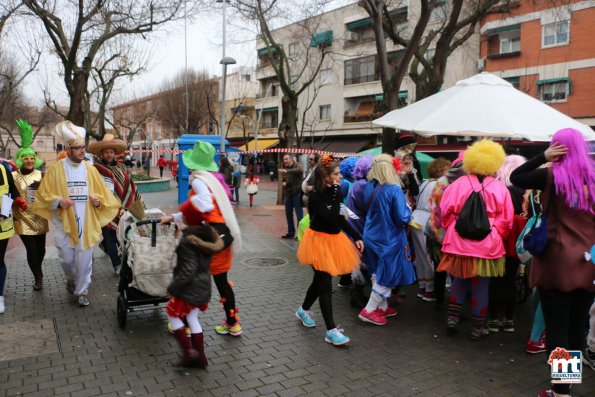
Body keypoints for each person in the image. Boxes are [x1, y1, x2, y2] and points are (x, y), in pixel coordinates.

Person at [510, 128, 595, 397]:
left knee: (557, 327)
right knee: (577, 326)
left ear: (558, 148)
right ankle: (565, 387)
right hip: (588, 262)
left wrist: (541, 156)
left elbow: (516, 177)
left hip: (556, 262)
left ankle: (560, 391)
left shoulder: (551, 176)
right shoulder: (593, 178)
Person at [32, 121, 120, 307]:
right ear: (68, 150)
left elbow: (103, 194)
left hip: (85, 221)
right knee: (66, 258)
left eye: (82, 148)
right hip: (63, 221)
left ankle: (82, 291)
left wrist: (98, 202)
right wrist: (58, 201)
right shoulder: (56, 169)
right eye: (77, 148)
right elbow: (43, 194)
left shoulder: (90, 169)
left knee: (84, 257)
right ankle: (70, 278)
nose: (82, 151)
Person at [162, 141, 243, 336]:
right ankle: (232, 323)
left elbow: (204, 207)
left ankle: (184, 323)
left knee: (191, 280)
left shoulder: (198, 180)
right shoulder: (215, 181)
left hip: (206, 240)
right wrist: (174, 217)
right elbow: (210, 210)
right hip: (221, 239)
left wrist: (186, 208)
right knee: (222, 283)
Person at [437, 140, 513, 340]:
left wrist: (452, 227)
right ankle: (478, 328)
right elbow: (507, 219)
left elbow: (444, 212)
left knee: (459, 280)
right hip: (488, 244)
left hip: (458, 242)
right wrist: (495, 232)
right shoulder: (499, 188)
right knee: (481, 285)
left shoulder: (456, 185)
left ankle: (452, 319)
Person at [295, 155, 364, 346]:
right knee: (325, 285)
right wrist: (335, 194)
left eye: (340, 173)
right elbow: (329, 217)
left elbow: (340, 220)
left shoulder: (336, 192)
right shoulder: (315, 196)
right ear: (325, 176)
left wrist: (356, 236)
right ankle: (331, 331)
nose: (340, 176)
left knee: (319, 282)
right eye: (336, 174)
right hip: (317, 243)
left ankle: (303, 310)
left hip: (334, 241)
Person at [358, 154, 416, 326]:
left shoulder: (369, 186)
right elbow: (402, 217)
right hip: (389, 237)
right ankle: (368, 310)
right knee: (389, 273)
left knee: (376, 270)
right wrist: (408, 209)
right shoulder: (394, 189)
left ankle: (382, 306)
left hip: (371, 234)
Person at [167, 223, 223, 368]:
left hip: (188, 288)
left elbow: (188, 270)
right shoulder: (207, 234)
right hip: (202, 286)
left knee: (172, 314)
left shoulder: (188, 240)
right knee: (192, 317)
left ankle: (189, 353)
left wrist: (173, 288)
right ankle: (201, 358)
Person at [88, 134, 145, 275]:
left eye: (111, 152)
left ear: (115, 153)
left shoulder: (122, 168)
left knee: (123, 238)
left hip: (121, 210)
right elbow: (92, 187)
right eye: (106, 152)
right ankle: (117, 265)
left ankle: (125, 261)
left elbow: (129, 188)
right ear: (101, 153)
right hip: (104, 209)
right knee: (110, 239)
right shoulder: (95, 169)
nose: (109, 154)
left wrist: (124, 208)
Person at [487, 155, 527, 333]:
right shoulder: (524, 190)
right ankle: (509, 318)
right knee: (511, 278)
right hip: (516, 237)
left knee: (494, 278)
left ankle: (493, 317)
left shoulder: (497, 189)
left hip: (497, 234)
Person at [426, 151, 466, 309]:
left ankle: (439, 300)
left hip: (438, 230)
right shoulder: (465, 183)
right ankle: (456, 306)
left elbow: (433, 205)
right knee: (456, 272)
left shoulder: (442, 181)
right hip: (456, 233)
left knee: (439, 268)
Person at [12, 119, 49, 291]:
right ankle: (38, 277)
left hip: (40, 216)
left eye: (31, 158)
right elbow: (7, 194)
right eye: (25, 158)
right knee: (31, 250)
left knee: (41, 250)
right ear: (20, 160)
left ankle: (38, 270)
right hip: (22, 217)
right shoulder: (13, 176)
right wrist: (15, 200)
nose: (29, 161)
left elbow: (49, 193)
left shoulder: (41, 175)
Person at [410, 158, 451, 302]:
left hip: (416, 219)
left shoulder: (424, 182)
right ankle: (430, 289)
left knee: (421, 257)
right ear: (441, 170)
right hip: (427, 220)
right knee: (429, 256)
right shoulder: (437, 184)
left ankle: (423, 286)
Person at [346, 156, 374, 308]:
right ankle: (356, 295)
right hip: (361, 226)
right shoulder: (363, 186)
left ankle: (357, 293)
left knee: (359, 261)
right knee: (361, 261)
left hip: (356, 224)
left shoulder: (358, 184)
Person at [0, 155, 25, 314]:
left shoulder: (3, 168)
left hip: (2, 223)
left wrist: (17, 199)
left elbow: (11, 190)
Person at [279, 154, 304, 239]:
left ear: (291, 159)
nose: (285, 161)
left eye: (286, 159)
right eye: (284, 159)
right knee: (288, 214)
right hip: (288, 193)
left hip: (297, 192)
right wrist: (284, 182)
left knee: (299, 214)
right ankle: (291, 232)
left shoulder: (297, 164)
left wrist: (287, 171)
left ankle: (300, 234)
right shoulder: (285, 167)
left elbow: (300, 170)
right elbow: (284, 178)